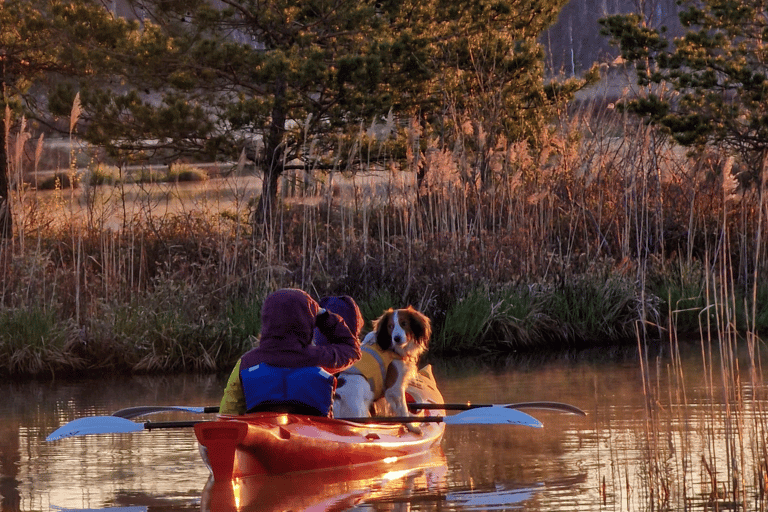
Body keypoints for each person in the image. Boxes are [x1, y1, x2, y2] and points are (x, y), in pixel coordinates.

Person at [218, 288, 362, 416]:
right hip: (313, 438)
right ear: (307, 322)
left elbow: (227, 413)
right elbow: (352, 348)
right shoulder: (320, 358)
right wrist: (323, 316)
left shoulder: (246, 363)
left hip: (262, 437)